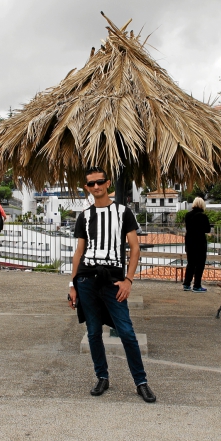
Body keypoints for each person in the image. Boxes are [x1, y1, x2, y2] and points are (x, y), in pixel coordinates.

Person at [68, 167, 156, 403]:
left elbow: (135, 249)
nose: (96, 187)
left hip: (114, 281)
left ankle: (141, 382)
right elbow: (79, 252)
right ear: (87, 187)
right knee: (94, 332)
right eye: (91, 184)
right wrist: (72, 284)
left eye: (99, 182)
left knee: (127, 332)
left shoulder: (123, 212)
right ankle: (102, 377)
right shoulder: (84, 216)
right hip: (86, 279)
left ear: (107, 184)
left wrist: (129, 280)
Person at [182, 197, 211, 293]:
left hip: (189, 241)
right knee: (200, 264)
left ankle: (186, 284)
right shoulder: (202, 216)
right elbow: (207, 229)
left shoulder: (188, 215)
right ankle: (197, 285)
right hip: (199, 242)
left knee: (190, 263)